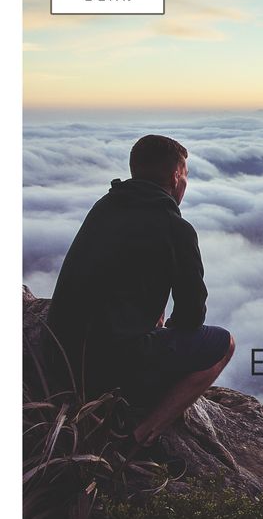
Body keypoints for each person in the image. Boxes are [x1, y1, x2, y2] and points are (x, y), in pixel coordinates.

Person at [47, 134, 235, 448]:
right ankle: (136, 438)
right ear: (177, 177)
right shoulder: (176, 228)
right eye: (185, 175)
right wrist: (162, 336)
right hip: (108, 371)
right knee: (223, 344)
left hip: (59, 359)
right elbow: (192, 316)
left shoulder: (104, 206)